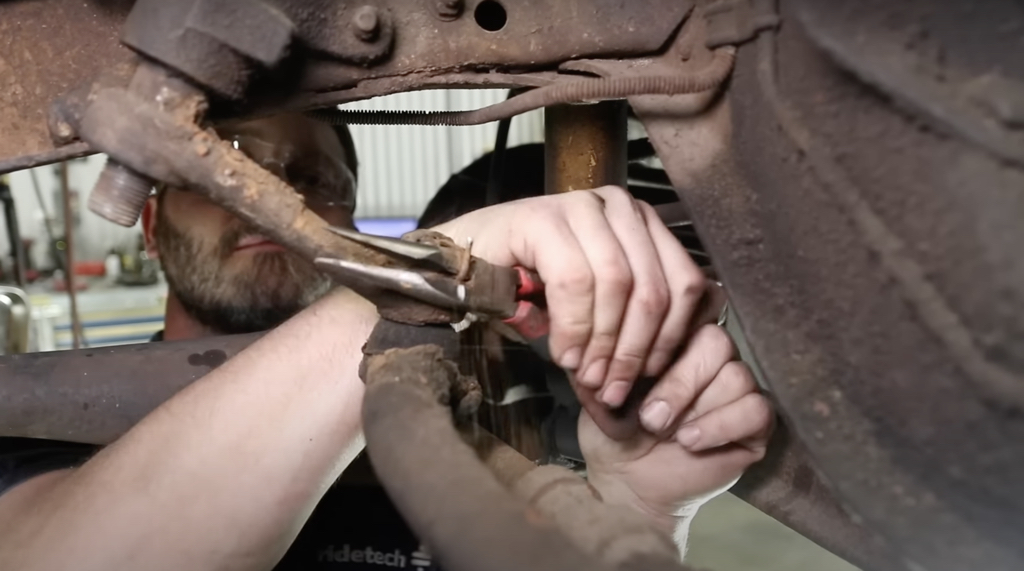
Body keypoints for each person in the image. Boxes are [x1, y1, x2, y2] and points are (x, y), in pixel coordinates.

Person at [0, 114, 774, 570]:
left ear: (351, 224)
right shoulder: (43, 421)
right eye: (224, 168)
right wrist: (430, 274)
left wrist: (637, 511)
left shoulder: (461, 419)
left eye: (316, 179)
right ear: (149, 223)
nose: (274, 201)